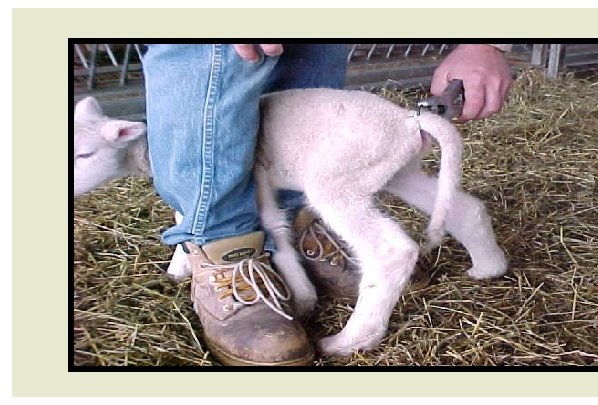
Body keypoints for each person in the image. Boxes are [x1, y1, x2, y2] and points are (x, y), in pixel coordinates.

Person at [142, 43, 513, 366]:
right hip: (359, 120)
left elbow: (269, 215)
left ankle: (226, 250)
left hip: (338, 129)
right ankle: (488, 260)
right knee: (388, 177)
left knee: (320, 185)